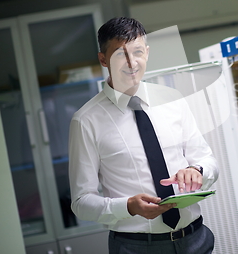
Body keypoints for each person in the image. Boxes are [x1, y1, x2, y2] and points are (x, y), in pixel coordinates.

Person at [68, 17, 219, 254]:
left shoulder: (173, 100)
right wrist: (127, 207)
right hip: (136, 247)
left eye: (137, 52)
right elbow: (81, 202)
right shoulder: (86, 120)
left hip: (195, 240)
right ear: (103, 59)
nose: (131, 62)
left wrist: (197, 171)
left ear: (147, 53)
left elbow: (208, 161)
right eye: (120, 54)